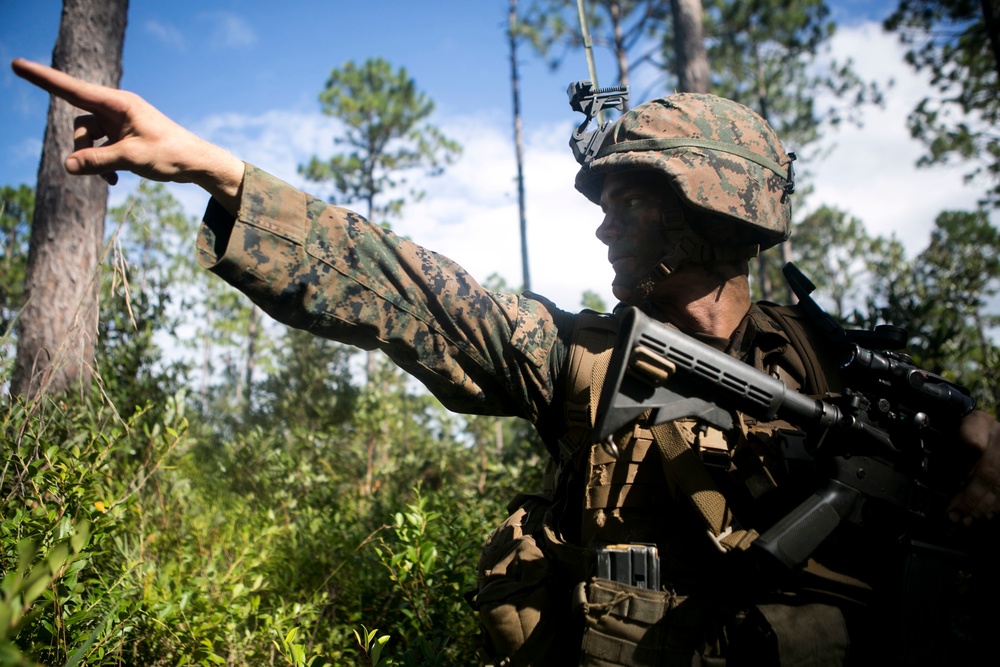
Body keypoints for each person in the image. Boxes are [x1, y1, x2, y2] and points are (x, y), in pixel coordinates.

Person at [12, 58, 1000, 666]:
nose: (604, 219)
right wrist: (211, 166)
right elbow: (409, 289)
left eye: (631, 197)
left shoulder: (847, 377)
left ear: (711, 209)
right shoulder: (586, 362)